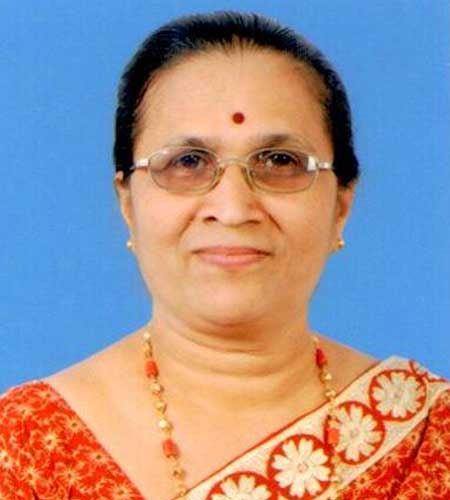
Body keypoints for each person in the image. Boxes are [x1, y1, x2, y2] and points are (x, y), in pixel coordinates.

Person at [0, 10, 448, 500]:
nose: (233, 209)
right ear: (128, 204)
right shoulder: (25, 449)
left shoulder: (431, 436)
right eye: (188, 162)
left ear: (341, 204)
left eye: (280, 161)